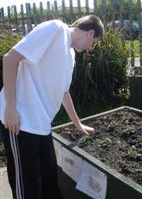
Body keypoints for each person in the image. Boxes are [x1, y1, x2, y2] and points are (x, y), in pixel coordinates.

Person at [0, 15, 104, 199]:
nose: (90, 48)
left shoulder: (70, 55)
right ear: (90, 33)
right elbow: (10, 60)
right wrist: (10, 108)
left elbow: (63, 92)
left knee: (49, 183)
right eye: (93, 43)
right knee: (27, 188)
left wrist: (78, 124)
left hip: (42, 126)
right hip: (20, 123)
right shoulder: (55, 30)